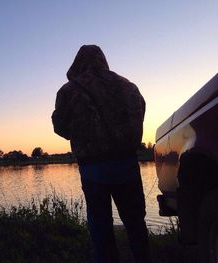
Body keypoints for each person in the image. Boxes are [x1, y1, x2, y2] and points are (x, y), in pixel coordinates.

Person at [52, 45, 152, 263]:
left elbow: (60, 128)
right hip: (127, 164)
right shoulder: (129, 86)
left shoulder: (69, 90)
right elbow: (140, 114)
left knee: (100, 226)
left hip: (93, 169)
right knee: (135, 222)